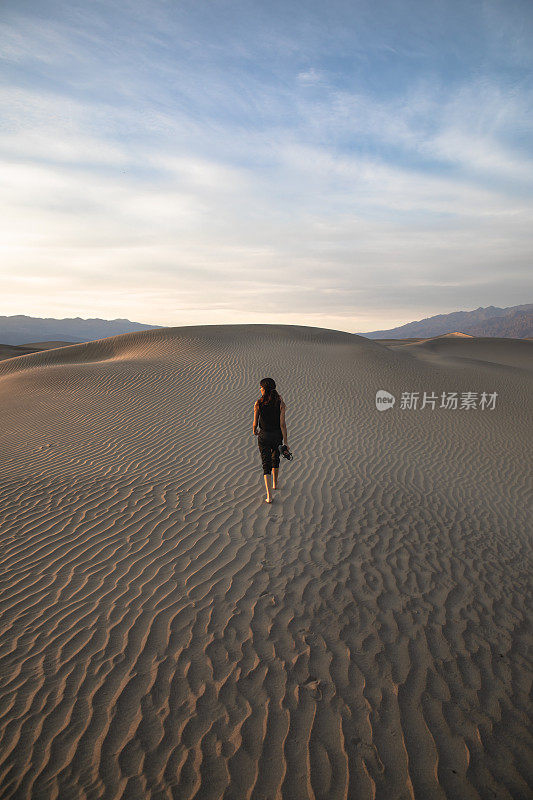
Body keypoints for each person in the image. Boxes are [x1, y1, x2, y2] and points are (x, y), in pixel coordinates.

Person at [253, 377, 288, 503]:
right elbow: (283, 424)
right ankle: (275, 484)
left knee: (265, 464)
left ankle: (269, 495)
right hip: (277, 436)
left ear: (265, 389)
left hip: (263, 436)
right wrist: (286, 442)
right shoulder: (280, 403)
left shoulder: (258, 403)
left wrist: (254, 430)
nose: (260, 389)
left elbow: (255, 422)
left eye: (261, 387)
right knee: (275, 458)